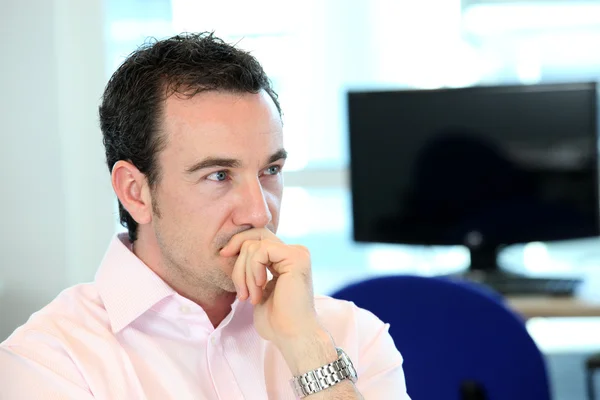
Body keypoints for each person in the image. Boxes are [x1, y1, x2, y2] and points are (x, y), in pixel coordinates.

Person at [0, 32, 410, 399]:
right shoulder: (50, 360)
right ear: (134, 191)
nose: (258, 212)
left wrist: (309, 351)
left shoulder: (348, 335)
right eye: (219, 175)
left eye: (270, 171)